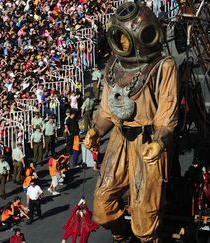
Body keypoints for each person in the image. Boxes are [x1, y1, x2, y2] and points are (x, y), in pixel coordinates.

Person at [83, 3, 179, 242]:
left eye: (125, 38)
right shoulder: (113, 66)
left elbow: (167, 117)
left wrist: (159, 142)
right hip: (120, 137)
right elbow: (106, 111)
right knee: (102, 207)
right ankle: (121, 235)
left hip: (148, 143)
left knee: (144, 215)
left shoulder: (163, 66)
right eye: (119, 38)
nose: (122, 43)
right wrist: (96, 130)